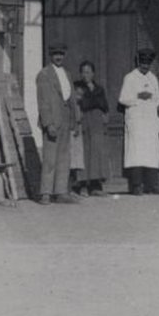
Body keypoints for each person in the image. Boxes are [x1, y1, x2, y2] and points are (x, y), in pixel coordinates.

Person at [36, 41, 79, 204]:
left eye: (61, 54)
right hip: (53, 121)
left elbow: (72, 97)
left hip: (66, 119)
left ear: (64, 55)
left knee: (64, 157)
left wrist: (75, 119)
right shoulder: (44, 74)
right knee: (49, 157)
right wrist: (48, 124)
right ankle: (45, 192)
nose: (58, 57)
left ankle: (61, 191)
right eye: (55, 54)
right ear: (50, 55)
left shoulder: (67, 73)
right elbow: (43, 102)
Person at [119, 47, 159, 195]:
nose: (145, 67)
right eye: (143, 63)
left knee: (151, 152)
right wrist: (138, 96)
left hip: (150, 120)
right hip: (137, 121)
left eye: (147, 64)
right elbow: (123, 99)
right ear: (138, 62)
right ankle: (137, 185)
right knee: (136, 153)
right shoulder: (130, 78)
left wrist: (151, 101)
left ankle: (152, 185)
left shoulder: (153, 78)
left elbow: (157, 99)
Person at [75, 60, 109, 196]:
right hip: (84, 120)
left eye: (88, 72)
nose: (85, 75)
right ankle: (83, 184)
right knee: (84, 152)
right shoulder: (77, 87)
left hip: (96, 121)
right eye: (83, 72)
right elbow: (77, 103)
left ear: (93, 73)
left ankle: (95, 185)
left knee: (97, 152)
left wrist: (105, 117)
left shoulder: (99, 88)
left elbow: (104, 106)